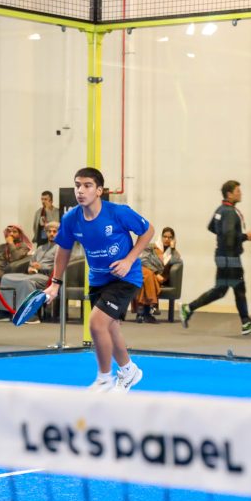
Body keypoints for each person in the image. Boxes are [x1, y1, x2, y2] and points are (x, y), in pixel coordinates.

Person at [43, 167, 154, 392]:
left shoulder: (118, 212)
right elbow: (63, 250)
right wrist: (55, 283)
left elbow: (148, 231)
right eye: (77, 185)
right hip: (97, 279)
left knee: (96, 323)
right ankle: (129, 371)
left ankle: (104, 379)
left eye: (87, 186)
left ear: (99, 190)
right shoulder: (71, 219)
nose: (80, 191)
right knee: (110, 328)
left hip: (125, 277)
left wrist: (129, 260)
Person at [180, 181, 251, 336]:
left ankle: (189, 308)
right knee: (239, 289)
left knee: (220, 290)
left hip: (222, 255)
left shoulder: (221, 210)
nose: (240, 193)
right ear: (229, 194)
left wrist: (225, 237)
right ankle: (246, 322)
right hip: (230, 257)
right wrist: (246, 236)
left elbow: (212, 227)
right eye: (237, 191)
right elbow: (229, 235)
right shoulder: (230, 212)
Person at [0, 221, 60, 323]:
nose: (51, 234)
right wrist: (30, 268)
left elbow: (60, 267)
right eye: (49, 231)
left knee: (26, 281)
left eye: (54, 231)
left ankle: (31, 314)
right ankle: (4, 312)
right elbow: (31, 262)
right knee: (6, 278)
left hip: (48, 277)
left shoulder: (62, 248)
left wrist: (41, 267)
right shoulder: (41, 248)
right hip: (33, 274)